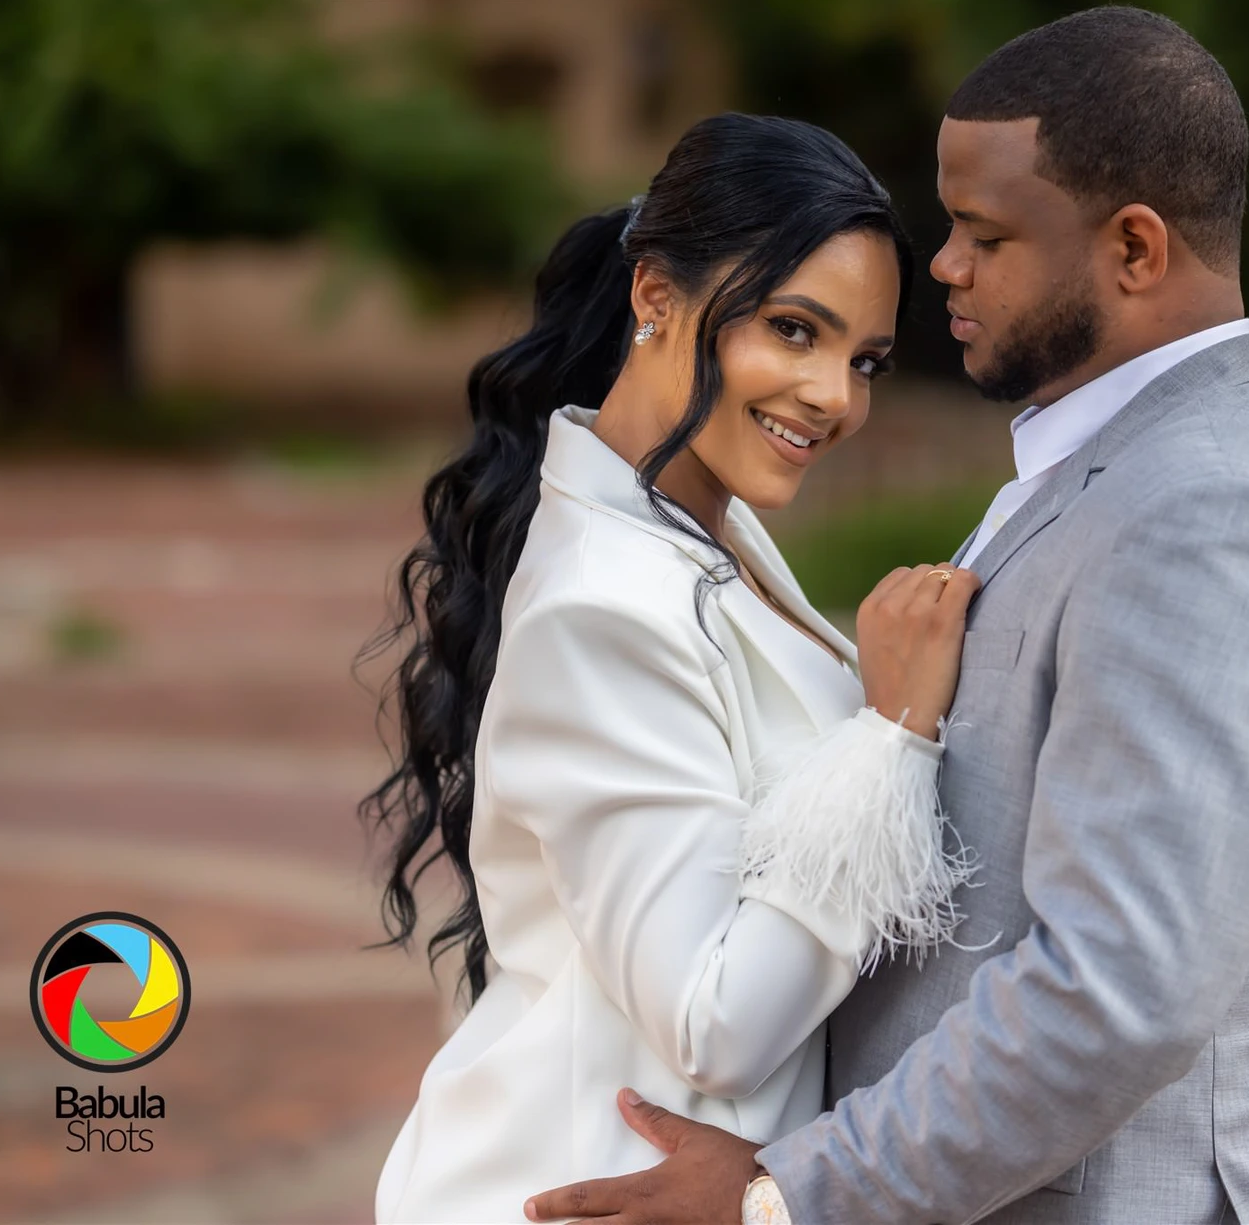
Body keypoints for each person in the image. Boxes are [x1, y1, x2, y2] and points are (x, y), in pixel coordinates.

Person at [524, 7, 1249, 1225]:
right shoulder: (1107, 462)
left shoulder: (1211, 509)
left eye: (983, 234)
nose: (944, 268)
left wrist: (784, 1193)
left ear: (1133, 250)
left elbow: (1120, 987)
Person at [365, 112, 983, 1224]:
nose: (835, 396)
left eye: (864, 359)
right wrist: (891, 738)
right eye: (794, 330)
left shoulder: (701, 528)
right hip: (590, 1181)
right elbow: (717, 1019)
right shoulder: (602, 601)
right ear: (656, 294)